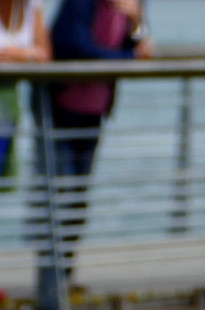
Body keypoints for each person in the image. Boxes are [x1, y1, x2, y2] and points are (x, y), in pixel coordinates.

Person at [46, 0, 153, 277]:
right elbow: (75, 47)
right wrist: (129, 60)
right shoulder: (80, 4)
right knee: (61, 189)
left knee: (79, 194)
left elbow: (139, 44)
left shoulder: (133, 6)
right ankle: (51, 273)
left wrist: (137, 19)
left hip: (95, 111)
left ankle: (65, 272)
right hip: (62, 108)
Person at [0, 0, 51, 184]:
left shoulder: (31, 7)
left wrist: (15, 54)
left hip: (8, 109)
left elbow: (44, 55)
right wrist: (26, 54)